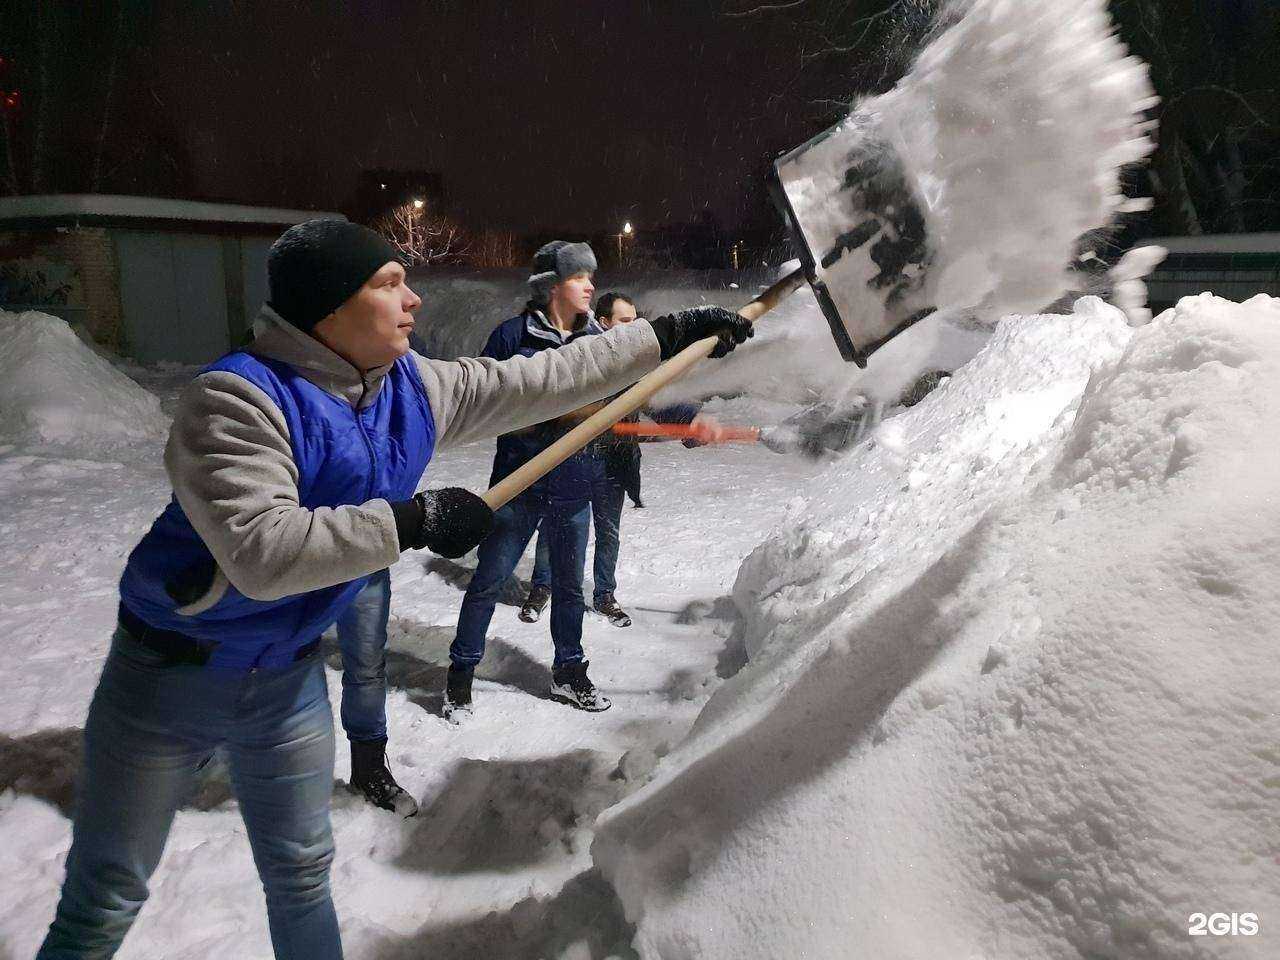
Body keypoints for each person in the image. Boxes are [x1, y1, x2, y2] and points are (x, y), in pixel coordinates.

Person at [35, 219, 751, 960]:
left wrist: (663, 338)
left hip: (284, 679)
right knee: (107, 894)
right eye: (387, 284)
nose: (412, 298)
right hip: (168, 676)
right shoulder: (235, 401)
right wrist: (412, 520)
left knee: (303, 875)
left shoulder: (408, 386)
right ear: (328, 308)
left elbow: (534, 380)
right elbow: (261, 551)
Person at [445, 247, 745, 718]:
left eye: (591, 276)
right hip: (518, 483)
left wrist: (690, 422)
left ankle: (568, 673)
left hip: (574, 484)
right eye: (578, 276)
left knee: (569, 589)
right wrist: (540, 416)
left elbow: (638, 392)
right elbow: (484, 403)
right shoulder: (511, 337)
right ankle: (460, 672)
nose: (590, 285)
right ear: (550, 285)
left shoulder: (599, 342)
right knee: (489, 580)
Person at [518, 292, 703, 629]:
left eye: (636, 321)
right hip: (573, 460)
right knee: (556, 528)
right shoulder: (581, 355)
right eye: (625, 321)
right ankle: (541, 589)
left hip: (616, 462)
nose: (634, 328)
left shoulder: (639, 364)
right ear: (604, 323)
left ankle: (605, 596)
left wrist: (691, 425)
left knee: (608, 532)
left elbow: (657, 400)